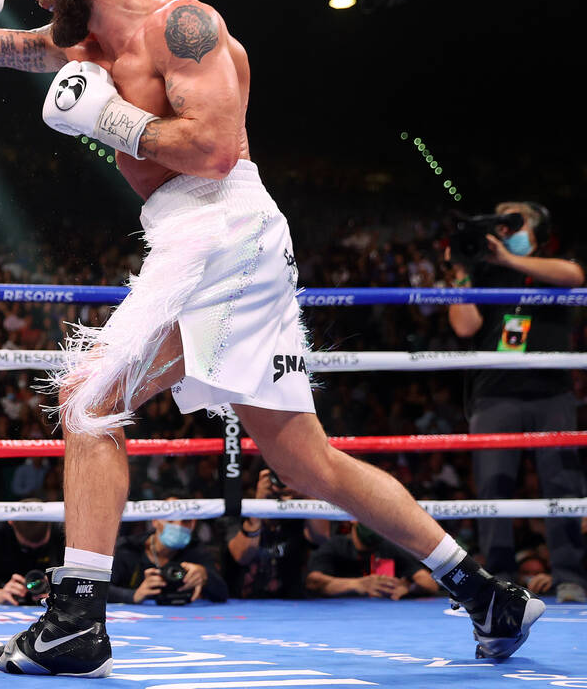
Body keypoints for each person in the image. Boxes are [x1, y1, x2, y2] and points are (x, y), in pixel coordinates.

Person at [0, 0, 545, 674]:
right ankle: (487, 591)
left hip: (224, 231)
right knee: (306, 464)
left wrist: (111, 118)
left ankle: (77, 618)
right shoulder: (74, 44)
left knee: (90, 397)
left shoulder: (184, 25)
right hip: (215, 242)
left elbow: (216, 149)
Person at [446, 201, 587, 604]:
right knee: (493, 488)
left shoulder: (553, 268)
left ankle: (569, 576)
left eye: (514, 221)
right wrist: (460, 271)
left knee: (561, 482)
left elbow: (575, 276)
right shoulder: (485, 273)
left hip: (551, 394)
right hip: (494, 394)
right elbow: (465, 325)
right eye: (499, 221)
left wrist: (509, 256)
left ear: (537, 232)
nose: (505, 228)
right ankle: (500, 578)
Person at [222, 467, 329, 600]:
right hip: (243, 604)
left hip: (291, 603)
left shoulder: (296, 513)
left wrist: (306, 494)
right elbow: (242, 556)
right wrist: (258, 505)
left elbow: (322, 537)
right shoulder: (241, 510)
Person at [111, 507, 226, 605]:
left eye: (185, 521)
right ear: (155, 521)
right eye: (171, 519)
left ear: (193, 523)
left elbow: (223, 592)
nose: (179, 526)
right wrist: (133, 595)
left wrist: (206, 577)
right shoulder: (127, 548)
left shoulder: (196, 550)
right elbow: (97, 589)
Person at [306, 521, 439, 600]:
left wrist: (409, 588)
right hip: (339, 616)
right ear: (353, 519)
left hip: (381, 617)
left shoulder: (389, 547)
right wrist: (357, 584)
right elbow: (313, 581)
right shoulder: (336, 546)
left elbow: (429, 583)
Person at [0, 514, 65, 605]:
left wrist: (62, 593)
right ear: (11, 522)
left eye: (40, 546)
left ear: (50, 523)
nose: (33, 550)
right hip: (0, 608)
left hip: (53, 610)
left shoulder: (65, 533)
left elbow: (80, 583)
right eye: (26, 546)